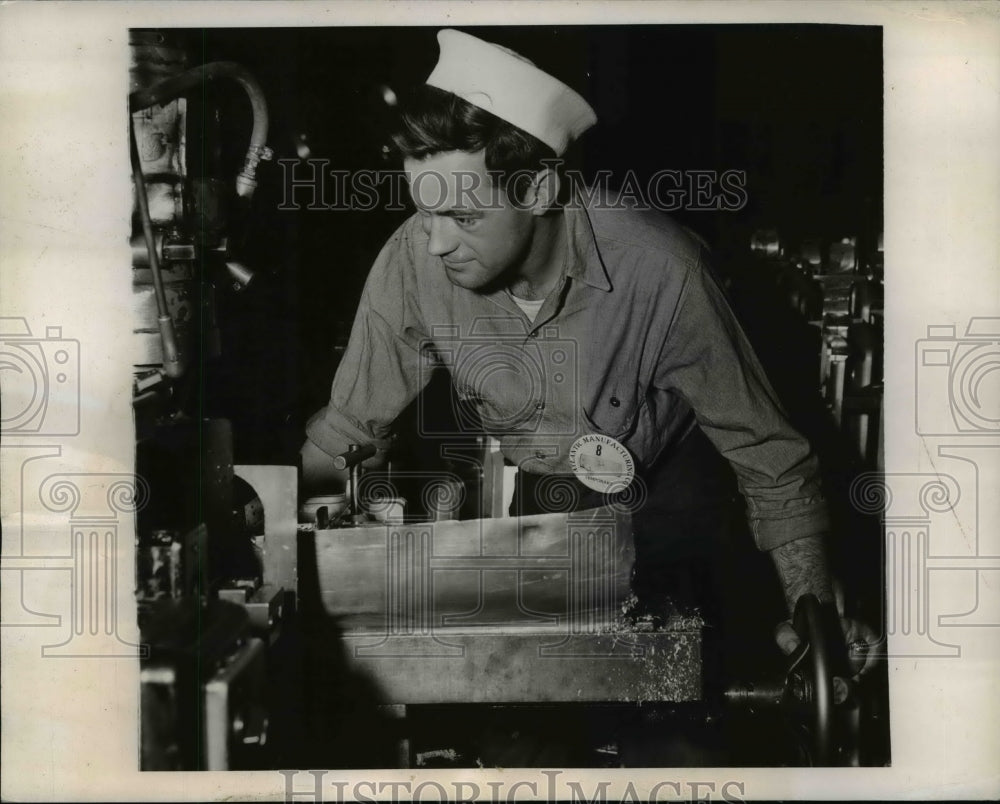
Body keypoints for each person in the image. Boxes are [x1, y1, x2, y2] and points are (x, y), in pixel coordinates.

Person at [300, 29, 874, 672]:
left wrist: (812, 616)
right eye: (423, 212)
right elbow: (348, 431)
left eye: (463, 218)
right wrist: (295, 564)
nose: (433, 243)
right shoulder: (412, 258)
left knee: (669, 715)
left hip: (667, 508)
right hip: (530, 507)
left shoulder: (663, 271)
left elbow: (771, 461)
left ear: (540, 192)